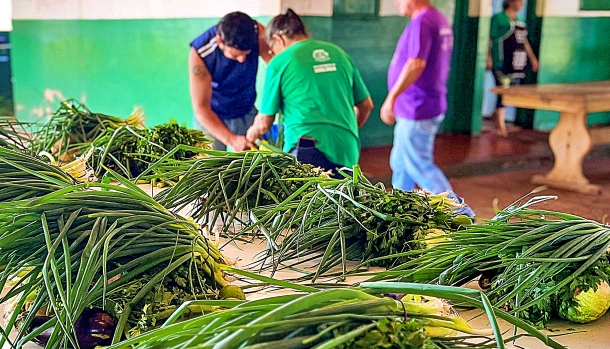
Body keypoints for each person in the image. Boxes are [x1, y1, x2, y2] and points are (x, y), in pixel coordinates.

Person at [245, 9, 374, 172]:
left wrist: (251, 134)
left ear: (279, 39)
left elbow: (264, 122)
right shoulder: (340, 54)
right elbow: (366, 105)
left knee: (305, 197)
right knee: (342, 196)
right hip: (347, 146)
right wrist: (344, 130)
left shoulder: (280, 62)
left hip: (307, 146)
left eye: (272, 48)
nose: (273, 53)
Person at [381, 0, 471, 215]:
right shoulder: (436, 18)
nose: (396, 3)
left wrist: (392, 97)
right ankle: (399, 212)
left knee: (419, 164)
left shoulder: (423, 21)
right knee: (401, 163)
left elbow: (416, 63)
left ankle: (459, 212)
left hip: (417, 108)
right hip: (418, 106)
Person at [189, 12, 272, 151]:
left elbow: (277, 69)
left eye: (247, 54)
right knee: (209, 168)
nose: (242, 60)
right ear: (220, 41)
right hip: (213, 116)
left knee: (264, 165)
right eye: (235, 55)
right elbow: (201, 108)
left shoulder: (257, 34)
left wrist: (268, 112)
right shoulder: (201, 52)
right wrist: (232, 140)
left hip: (247, 110)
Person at [489, 0, 539, 137]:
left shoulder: (521, 20)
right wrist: (489, 57)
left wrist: (532, 58)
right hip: (501, 61)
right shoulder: (498, 19)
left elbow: (524, 41)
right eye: (519, 1)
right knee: (503, 89)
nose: (522, 4)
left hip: (517, 62)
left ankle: (496, 115)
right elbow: (489, 38)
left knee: (510, 90)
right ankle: (501, 125)